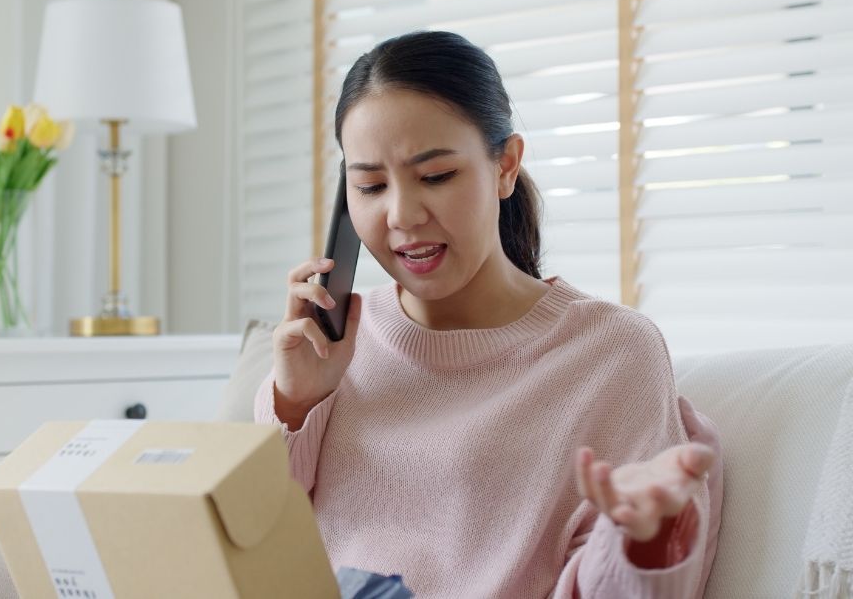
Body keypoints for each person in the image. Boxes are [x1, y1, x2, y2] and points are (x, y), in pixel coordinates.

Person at [254, 31, 723, 598]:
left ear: (505, 165)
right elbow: (254, 553)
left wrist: (643, 540)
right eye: (371, 185)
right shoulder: (329, 347)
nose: (401, 214)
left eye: (436, 176)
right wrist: (295, 402)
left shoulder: (610, 351)